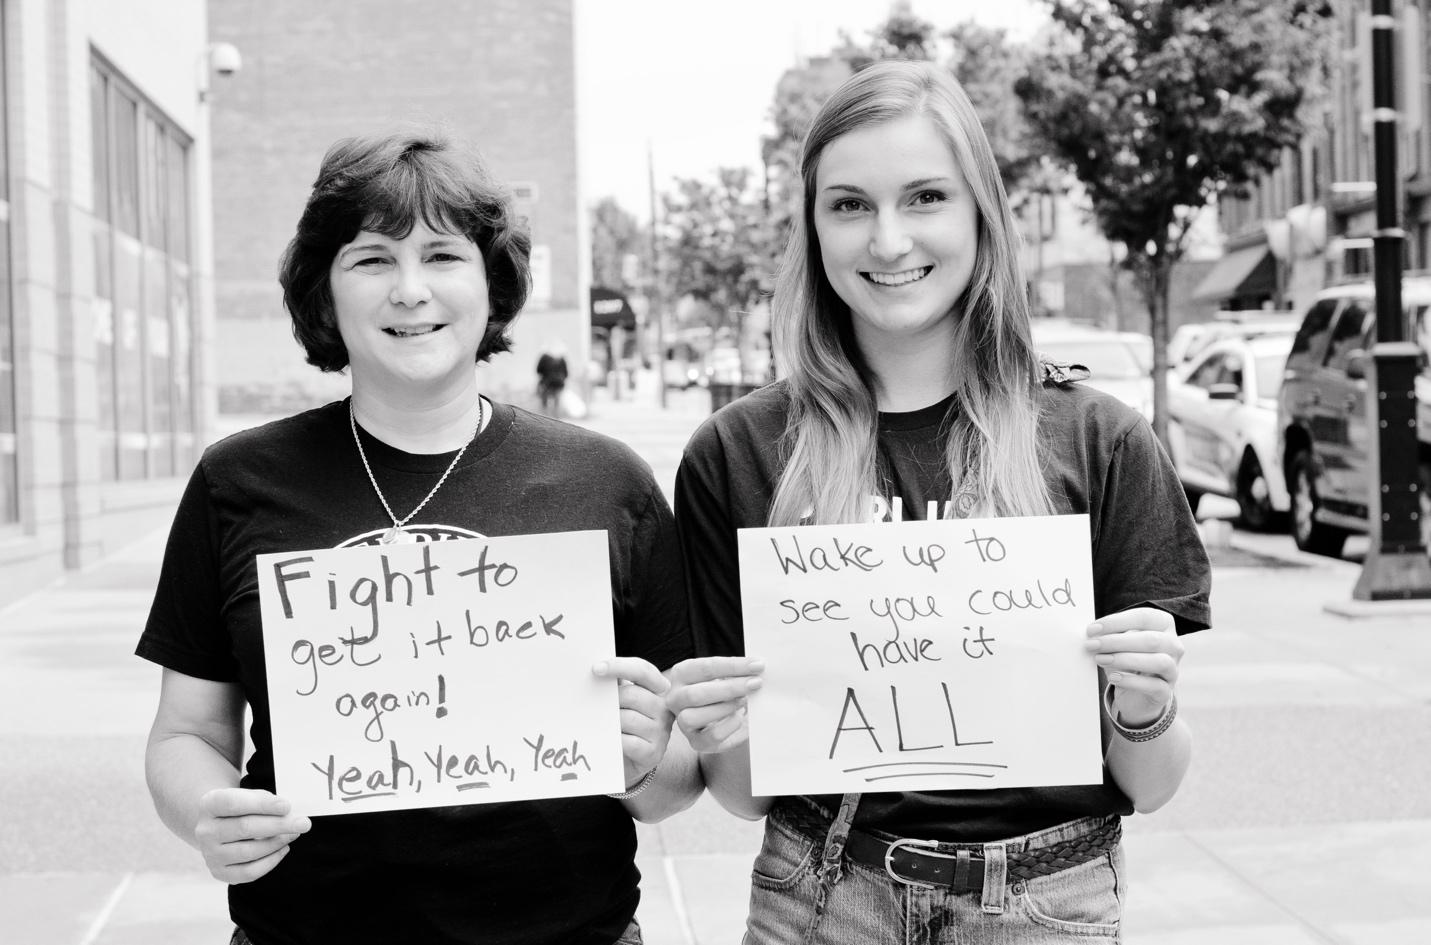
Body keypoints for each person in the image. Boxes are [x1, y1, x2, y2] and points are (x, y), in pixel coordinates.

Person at [665, 60, 1211, 943]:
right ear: (811, 227)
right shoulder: (736, 451)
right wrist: (718, 729)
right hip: (821, 890)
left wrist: (1143, 706)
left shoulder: (1098, 439)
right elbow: (745, 792)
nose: (887, 241)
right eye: (848, 205)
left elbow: (1150, 784)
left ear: (979, 216)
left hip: (1046, 901)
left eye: (924, 197)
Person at [137, 130, 698, 945]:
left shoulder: (605, 481)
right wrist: (205, 813)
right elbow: (187, 733)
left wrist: (645, 759)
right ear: (324, 294)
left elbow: (676, 784)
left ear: (491, 285)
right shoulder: (237, 482)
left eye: (442, 255)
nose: (409, 290)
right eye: (371, 259)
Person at [536, 344, 569, 415]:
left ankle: (544, 417)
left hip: (546, 383)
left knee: (544, 401)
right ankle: (556, 417)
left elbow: (538, 370)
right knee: (557, 402)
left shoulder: (544, 357)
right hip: (559, 383)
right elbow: (566, 373)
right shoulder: (562, 358)